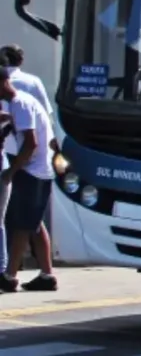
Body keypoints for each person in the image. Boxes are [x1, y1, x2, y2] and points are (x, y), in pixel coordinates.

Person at [0, 45, 58, 288]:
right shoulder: (22, 101)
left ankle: (9, 276)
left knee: (23, 224)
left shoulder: (19, 104)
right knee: (34, 222)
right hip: (38, 168)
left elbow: (31, 143)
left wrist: (10, 173)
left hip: (31, 169)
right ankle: (47, 275)